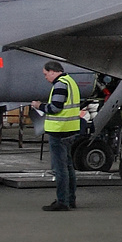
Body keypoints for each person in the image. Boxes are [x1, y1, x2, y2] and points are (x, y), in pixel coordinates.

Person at [32, 60, 82, 211]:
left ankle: (62, 202)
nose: (45, 77)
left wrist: (39, 106)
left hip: (59, 132)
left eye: (46, 74)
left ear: (53, 71)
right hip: (70, 129)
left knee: (60, 169)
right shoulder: (71, 81)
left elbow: (55, 107)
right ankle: (70, 199)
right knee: (68, 167)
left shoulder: (60, 84)